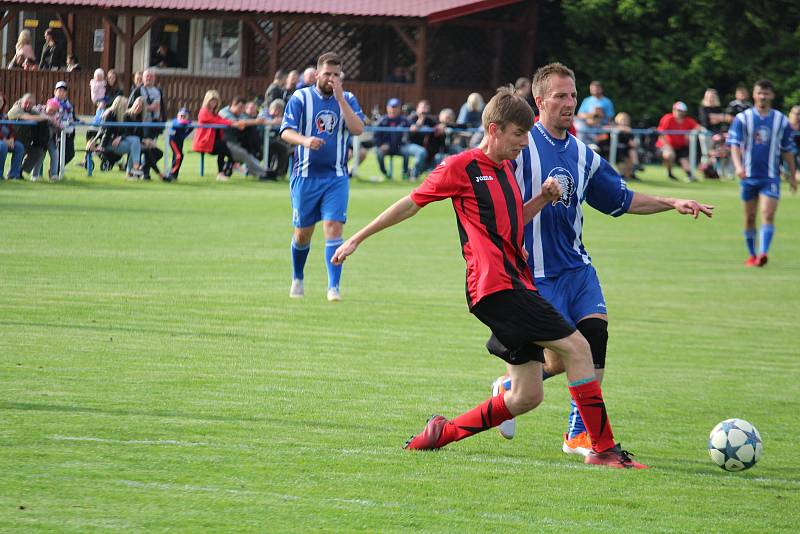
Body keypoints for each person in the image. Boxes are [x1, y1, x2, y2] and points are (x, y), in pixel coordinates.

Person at [331, 86, 647, 469]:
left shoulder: (506, 171)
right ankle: (603, 449)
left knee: (526, 396)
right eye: (518, 135)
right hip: (498, 288)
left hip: (514, 286)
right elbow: (409, 204)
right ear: (495, 129)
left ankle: (440, 433)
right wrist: (358, 238)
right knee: (578, 349)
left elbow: (510, 224)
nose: (524, 143)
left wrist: (543, 199)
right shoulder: (460, 167)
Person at [484, 64, 713, 455]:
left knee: (594, 337)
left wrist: (671, 201)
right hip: (534, 274)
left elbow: (621, 199)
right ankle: (508, 390)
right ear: (539, 102)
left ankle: (579, 434)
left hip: (577, 268)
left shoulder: (583, 154)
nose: (569, 103)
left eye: (572, 95)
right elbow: (496, 211)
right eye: (560, 96)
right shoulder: (519, 148)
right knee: (558, 362)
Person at [280, 51, 365, 302]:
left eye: (336, 75)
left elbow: (358, 129)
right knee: (303, 233)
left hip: (336, 176)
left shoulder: (347, 99)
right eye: (327, 74)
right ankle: (298, 277)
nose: (331, 78)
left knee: (333, 227)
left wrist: (340, 100)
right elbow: (285, 131)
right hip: (305, 177)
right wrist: (305, 140)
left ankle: (333, 287)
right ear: (317, 74)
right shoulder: (300, 97)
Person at [727, 79, 797, 267]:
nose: (763, 96)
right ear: (754, 94)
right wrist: (738, 166)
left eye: (766, 93)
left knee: (767, 213)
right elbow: (733, 144)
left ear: (772, 95)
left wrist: (793, 174)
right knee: (749, 217)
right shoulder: (743, 118)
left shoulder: (781, 120)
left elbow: (788, 149)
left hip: (770, 177)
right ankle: (752, 254)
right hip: (748, 176)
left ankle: (763, 253)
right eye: (760, 93)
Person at [218, 96, 271, 180]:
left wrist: (271, 122)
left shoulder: (240, 114)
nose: (242, 110)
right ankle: (263, 174)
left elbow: (247, 122)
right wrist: (253, 122)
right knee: (245, 155)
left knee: (249, 150)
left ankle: (263, 172)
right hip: (224, 143)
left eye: (243, 108)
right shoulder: (224, 112)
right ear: (233, 105)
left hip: (236, 142)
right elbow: (236, 123)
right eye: (240, 107)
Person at [90, 95, 144, 178]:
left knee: (135, 141)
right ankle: (131, 170)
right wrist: (101, 146)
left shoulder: (122, 116)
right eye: (125, 105)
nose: (127, 107)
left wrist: (121, 137)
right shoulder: (110, 114)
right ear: (120, 106)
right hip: (109, 143)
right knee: (135, 145)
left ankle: (133, 169)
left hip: (117, 141)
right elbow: (105, 132)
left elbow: (126, 132)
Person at [192, 89, 237, 181]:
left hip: (213, 143)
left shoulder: (215, 113)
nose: (214, 103)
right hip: (205, 143)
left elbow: (222, 120)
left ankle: (226, 170)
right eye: (212, 100)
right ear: (207, 101)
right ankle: (224, 170)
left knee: (228, 149)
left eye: (216, 101)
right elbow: (218, 122)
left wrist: (233, 123)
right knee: (223, 147)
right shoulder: (203, 112)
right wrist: (232, 123)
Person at [373, 98, 423, 180]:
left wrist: (414, 126)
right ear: (388, 108)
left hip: (400, 146)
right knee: (379, 153)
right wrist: (380, 145)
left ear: (399, 108)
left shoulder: (403, 120)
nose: (394, 109)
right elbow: (376, 136)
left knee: (406, 152)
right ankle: (385, 173)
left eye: (396, 107)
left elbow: (412, 125)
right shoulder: (382, 120)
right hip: (386, 147)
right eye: (392, 107)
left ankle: (405, 174)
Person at [7, 93, 53, 179]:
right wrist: (46, 117)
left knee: (39, 150)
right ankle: (12, 173)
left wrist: (52, 120)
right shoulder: (16, 109)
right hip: (10, 140)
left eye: (31, 103)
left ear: (34, 104)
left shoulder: (33, 111)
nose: (28, 105)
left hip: (25, 142)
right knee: (20, 147)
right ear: (21, 102)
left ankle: (20, 170)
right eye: (26, 102)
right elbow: (27, 117)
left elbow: (42, 117)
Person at [656, 101, 701, 181]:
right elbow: (661, 133)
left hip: (680, 147)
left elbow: (698, 128)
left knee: (685, 162)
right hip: (667, 145)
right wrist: (667, 146)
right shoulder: (668, 118)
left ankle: (690, 175)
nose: (680, 113)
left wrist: (690, 133)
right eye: (678, 110)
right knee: (669, 155)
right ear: (674, 110)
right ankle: (669, 173)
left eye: (682, 111)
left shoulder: (688, 120)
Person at [128, 69, 166, 139]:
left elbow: (161, 107)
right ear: (143, 78)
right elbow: (130, 107)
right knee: (144, 145)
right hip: (142, 124)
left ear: (154, 78)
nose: (149, 78)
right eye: (147, 76)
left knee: (152, 145)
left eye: (151, 76)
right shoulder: (137, 91)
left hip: (155, 123)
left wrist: (163, 120)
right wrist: (147, 107)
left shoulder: (158, 91)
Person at [0, 91, 25, 180]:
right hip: (2, 142)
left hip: (6, 141)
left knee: (19, 147)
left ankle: (14, 174)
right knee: (2, 147)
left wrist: (11, 139)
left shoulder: (5, 116)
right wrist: (4, 140)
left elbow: (11, 130)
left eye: (1, 101)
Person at [165, 107, 193, 182]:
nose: (182, 118)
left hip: (180, 142)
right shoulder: (175, 121)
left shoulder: (188, 123)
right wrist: (187, 123)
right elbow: (180, 123)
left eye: (184, 116)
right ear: (178, 116)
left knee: (180, 156)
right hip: (173, 141)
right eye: (181, 116)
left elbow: (187, 131)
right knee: (178, 156)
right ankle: (171, 174)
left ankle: (174, 175)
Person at [53, 81, 76, 166]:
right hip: (57, 131)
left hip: (69, 131)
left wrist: (76, 120)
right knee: (58, 153)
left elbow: (72, 116)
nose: (62, 93)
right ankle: (55, 172)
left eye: (64, 91)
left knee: (70, 154)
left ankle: (57, 170)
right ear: (55, 92)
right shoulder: (52, 103)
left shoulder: (69, 104)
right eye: (59, 90)